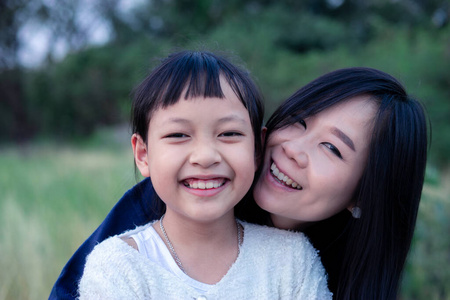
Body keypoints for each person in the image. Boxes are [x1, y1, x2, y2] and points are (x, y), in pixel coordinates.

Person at [50, 67, 428, 300]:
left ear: (365, 194)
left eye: (331, 147)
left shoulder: (301, 266)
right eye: (298, 121)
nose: (294, 149)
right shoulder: (179, 199)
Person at [77, 50, 332, 299]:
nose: (206, 156)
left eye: (229, 133)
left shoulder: (291, 261)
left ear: (257, 148)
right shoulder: (117, 267)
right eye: (178, 135)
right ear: (143, 154)